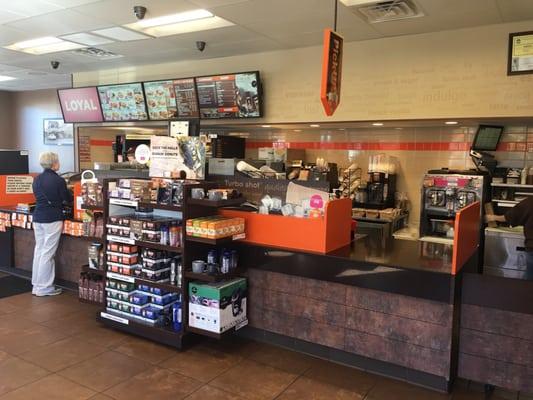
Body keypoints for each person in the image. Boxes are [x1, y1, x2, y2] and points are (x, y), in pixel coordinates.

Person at [31, 152, 73, 296]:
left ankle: (36, 285)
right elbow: (67, 199)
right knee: (48, 253)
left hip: (37, 217)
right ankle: (45, 288)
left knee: (39, 250)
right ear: (54, 163)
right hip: (52, 218)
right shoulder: (58, 180)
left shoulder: (36, 179)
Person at [486, 196, 533, 279]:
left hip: (532, 248)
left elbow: (509, 217)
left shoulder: (530, 202)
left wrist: (492, 217)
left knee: (529, 279)